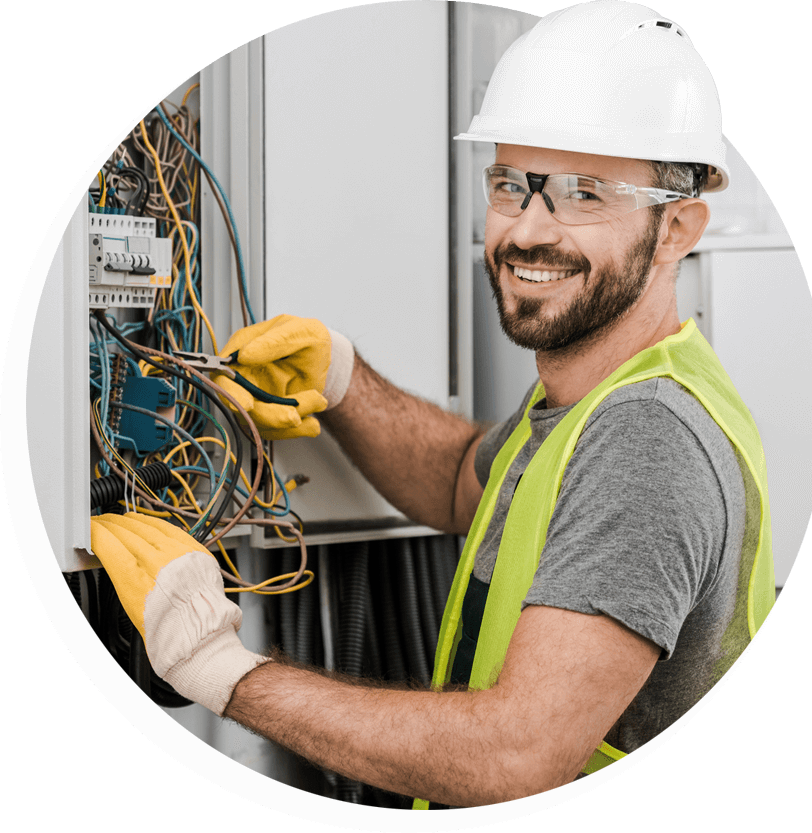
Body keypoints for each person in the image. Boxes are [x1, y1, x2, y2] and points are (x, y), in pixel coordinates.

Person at [89, 2, 775, 809]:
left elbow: (516, 756)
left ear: (676, 229)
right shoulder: (591, 400)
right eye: (511, 184)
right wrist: (343, 379)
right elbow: (460, 480)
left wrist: (219, 669)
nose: (528, 230)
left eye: (585, 194)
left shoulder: (646, 438)